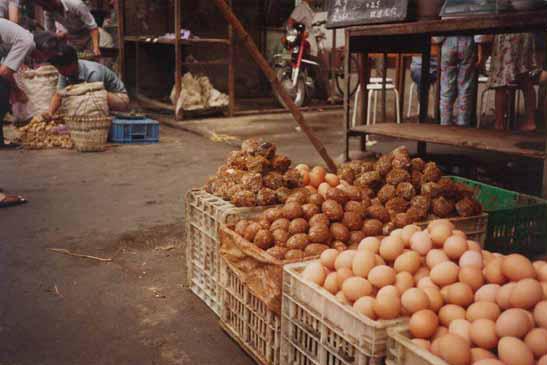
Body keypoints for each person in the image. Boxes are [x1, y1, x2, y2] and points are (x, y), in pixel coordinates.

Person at [0, 20, 61, 207]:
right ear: (42, 49)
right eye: (46, 57)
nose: (41, 61)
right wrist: (17, 91)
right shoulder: (26, 41)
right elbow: (4, 72)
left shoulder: (17, 36)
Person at [45, 44, 129, 117]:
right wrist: (50, 113)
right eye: (58, 68)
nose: (61, 72)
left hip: (119, 100)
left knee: (95, 96)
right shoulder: (64, 72)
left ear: (74, 63)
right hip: (93, 100)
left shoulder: (93, 72)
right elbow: (59, 94)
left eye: (63, 69)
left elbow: (93, 99)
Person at [488, 33, 537, 131]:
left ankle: (499, 123)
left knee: (500, 80)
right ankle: (530, 121)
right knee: (524, 76)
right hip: (524, 32)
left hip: (506, 32)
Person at [288, 0, 332, 102]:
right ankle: (325, 95)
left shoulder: (310, 9)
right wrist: (294, 36)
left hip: (312, 42)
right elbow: (291, 22)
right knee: (319, 66)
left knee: (319, 67)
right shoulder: (301, 8)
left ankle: (321, 94)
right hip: (305, 44)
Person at [438, 36, 485, 126]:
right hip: (467, 42)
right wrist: (480, 48)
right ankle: (463, 125)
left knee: (446, 91)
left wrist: (438, 40)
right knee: (465, 88)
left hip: (448, 42)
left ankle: (445, 125)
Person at [33, 0, 101, 57]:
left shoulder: (76, 4)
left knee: (91, 60)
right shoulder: (48, 12)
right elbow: (50, 33)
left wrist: (96, 48)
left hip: (89, 36)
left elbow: (93, 28)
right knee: (73, 61)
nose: (44, 9)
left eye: (44, 6)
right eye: (41, 6)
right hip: (73, 38)